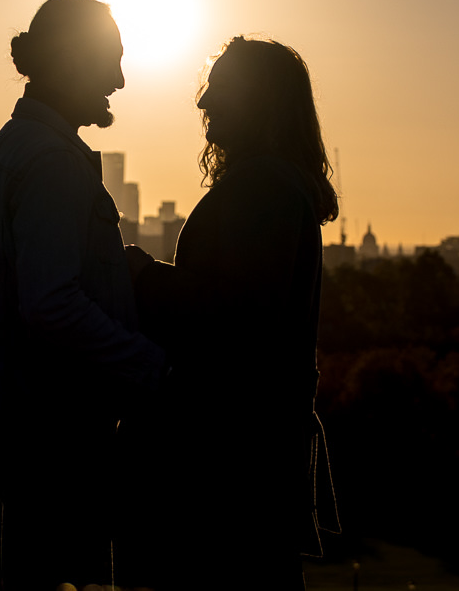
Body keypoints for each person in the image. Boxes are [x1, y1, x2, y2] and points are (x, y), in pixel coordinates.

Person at [119, 36, 340, 590]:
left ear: (254, 100)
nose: (202, 103)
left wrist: (143, 275)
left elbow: (238, 316)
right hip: (253, 451)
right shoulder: (276, 185)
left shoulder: (262, 186)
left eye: (217, 89)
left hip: (230, 460)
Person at [0, 0, 168, 591]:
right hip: (60, 431)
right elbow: (52, 302)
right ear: (70, 61)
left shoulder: (7, 154)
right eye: (111, 61)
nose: (120, 81)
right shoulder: (52, 162)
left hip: (28, 422)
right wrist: (153, 367)